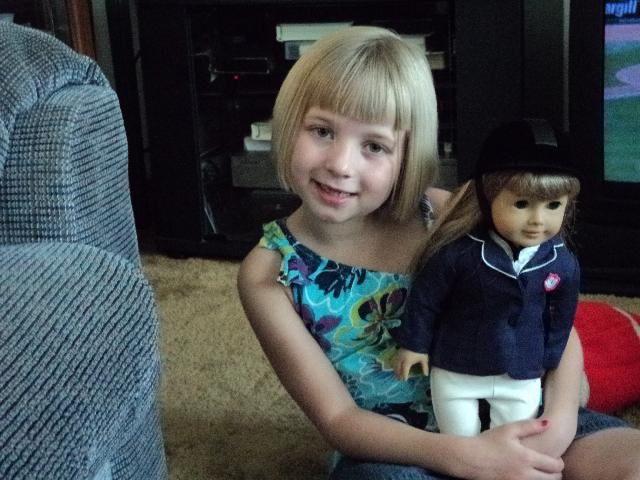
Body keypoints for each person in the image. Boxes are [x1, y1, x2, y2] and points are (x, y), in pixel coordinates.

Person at [237, 25, 640, 480]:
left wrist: (560, 422)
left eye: (374, 145)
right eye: (322, 131)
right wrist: (469, 458)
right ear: (287, 124)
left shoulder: (449, 214)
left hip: (522, 413)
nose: (340, 164)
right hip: (401, 449)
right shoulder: (270, 274)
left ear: (409, 153)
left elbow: (552, 319)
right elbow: (339, 420)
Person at [393, 119, 581, 437]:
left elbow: (562, 313)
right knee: (460, 439)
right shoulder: (459, 254)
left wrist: (551, 355)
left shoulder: (561, 262)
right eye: (521, 204)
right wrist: (414, 343)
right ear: (486, 196)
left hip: (521, 368)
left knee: (514, 438)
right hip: (457, 365)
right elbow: (425, 299)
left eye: (553, 206)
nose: (538, 220)